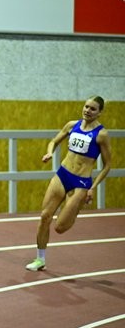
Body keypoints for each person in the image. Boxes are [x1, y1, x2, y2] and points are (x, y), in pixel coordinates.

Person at [27, 96, 112, 271]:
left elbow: (107, 165)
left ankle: (76, 206)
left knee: (59, 227)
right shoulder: (72, 125)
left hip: (81, 182)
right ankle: (40, 259)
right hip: (63, 174)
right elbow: (54, 141)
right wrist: (49, 153)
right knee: (45, 217)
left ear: (100, 113)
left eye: (93, 109)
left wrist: (93, 188)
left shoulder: (101, 134)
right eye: (86, 106)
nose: (88, 110)